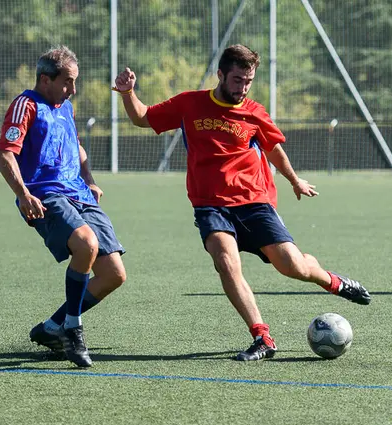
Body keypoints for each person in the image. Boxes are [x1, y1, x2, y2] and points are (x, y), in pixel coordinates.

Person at [113, 44, 371, 361]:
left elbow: (273, 148)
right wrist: (127, 93)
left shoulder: (253, 111)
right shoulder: (189, 104)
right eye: (237, 80)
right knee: (225, 262)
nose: (243, 87)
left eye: (248, 81)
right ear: (220, 74)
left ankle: (333, 281)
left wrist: (293, 179)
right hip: (210, 205)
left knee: (293, 266)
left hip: (253, 201)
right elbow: (142, 118)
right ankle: (262, 337)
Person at [0, 46, 127, 368]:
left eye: (74, 82)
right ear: (45, 79)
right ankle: (73, 329)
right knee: (86, 245)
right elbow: (5, 153)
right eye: (68, 81)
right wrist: (24, 194)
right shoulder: (25, 105)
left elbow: (76, 148)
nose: (73, 89)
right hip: (44, 195)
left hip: (79, 193)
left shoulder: (65, 107)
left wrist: (90, 179)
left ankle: (53, 327)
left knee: (113, 275)